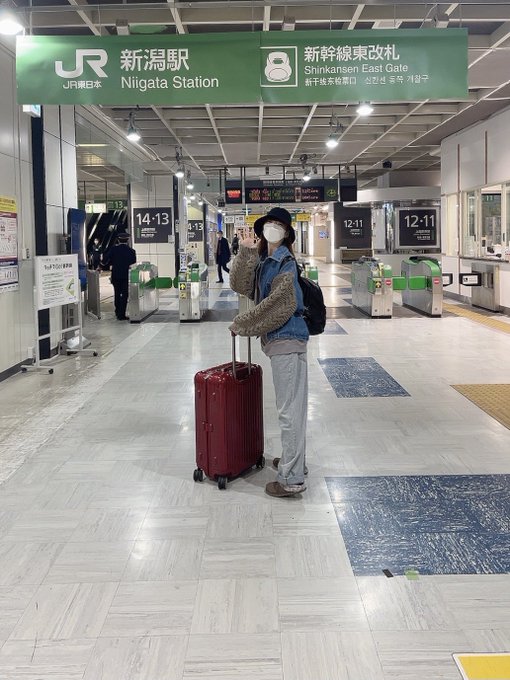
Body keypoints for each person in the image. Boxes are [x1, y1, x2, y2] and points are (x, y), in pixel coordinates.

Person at [229, 207, 309, 498]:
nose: (273, 228)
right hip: (284, 341)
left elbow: (280, 305)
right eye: (269, 223)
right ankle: (294, 462)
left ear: (286, 233)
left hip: (287, 340)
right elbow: (241, 285)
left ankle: (291, 479)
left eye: (279, 225)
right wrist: (247, 252)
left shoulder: (285, 262)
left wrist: (242, 324)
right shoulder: (266, 260)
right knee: (294, 408)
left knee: (289, 411)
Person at [107, 232, 136, 321]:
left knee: (117, 293)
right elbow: (133, 264)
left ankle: (117, 311)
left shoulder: (113, 250)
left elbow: (107, 260)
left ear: (118, 240)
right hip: (125, 276)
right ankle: (121, 314)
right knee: (124, 294)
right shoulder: (131, 251)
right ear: (127, 240)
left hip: (115, 275)